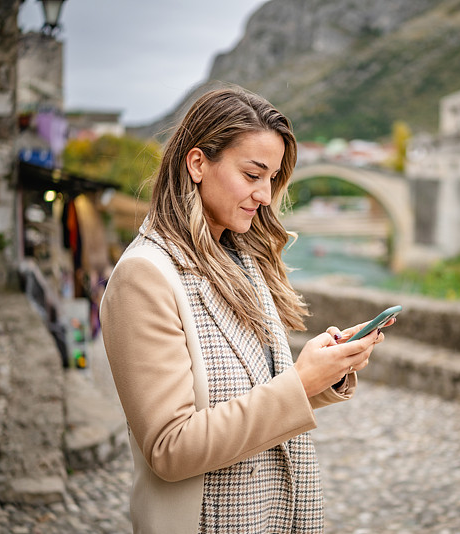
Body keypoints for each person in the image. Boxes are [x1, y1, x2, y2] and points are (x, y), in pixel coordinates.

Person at [100, 84, 391, 533]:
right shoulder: (144, 277)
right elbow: (170, 449)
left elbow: (253, 400)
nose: (265, 195)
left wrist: (321, 374)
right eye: (252, 175)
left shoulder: (242, 260)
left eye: (272, 179)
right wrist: (299, 381)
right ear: (197, 163)